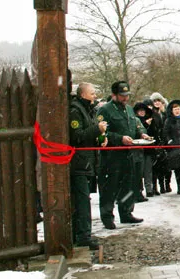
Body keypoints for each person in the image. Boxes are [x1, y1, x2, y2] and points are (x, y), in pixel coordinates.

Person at [97, 81, 149, 229]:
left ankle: (126, 212)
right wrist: (120, 138)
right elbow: (102, 132)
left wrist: (141, 134)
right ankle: (107, 216)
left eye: (127, 95)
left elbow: (134, 126)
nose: (125, 98)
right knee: (110, 187)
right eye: (122, 95)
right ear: (114, 95)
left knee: (128, 185)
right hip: (112, 156)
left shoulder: (129, 110)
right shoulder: (105, 110)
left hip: (129, 154)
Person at [69, 82, 107, 249]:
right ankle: (83, 236)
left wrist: (100, 139)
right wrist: (97, 130)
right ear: (83, 94)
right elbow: (77, 136)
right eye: (92, 93)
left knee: (84, 200)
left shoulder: (89, 110)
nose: (95, 95)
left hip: (88, 162)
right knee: (82, 202)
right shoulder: (75, 111)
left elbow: (89, 133)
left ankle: (83, 234)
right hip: (79, 163)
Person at [151, 92, 172, 193]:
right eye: (154, 101)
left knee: (167, 166)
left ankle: (166, 184)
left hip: (165, 142)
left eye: (158, 100)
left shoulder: (166, 114)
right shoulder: (150, 114)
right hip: (155, 142)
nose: (157, 103)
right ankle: (156, 187)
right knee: (156, 167)